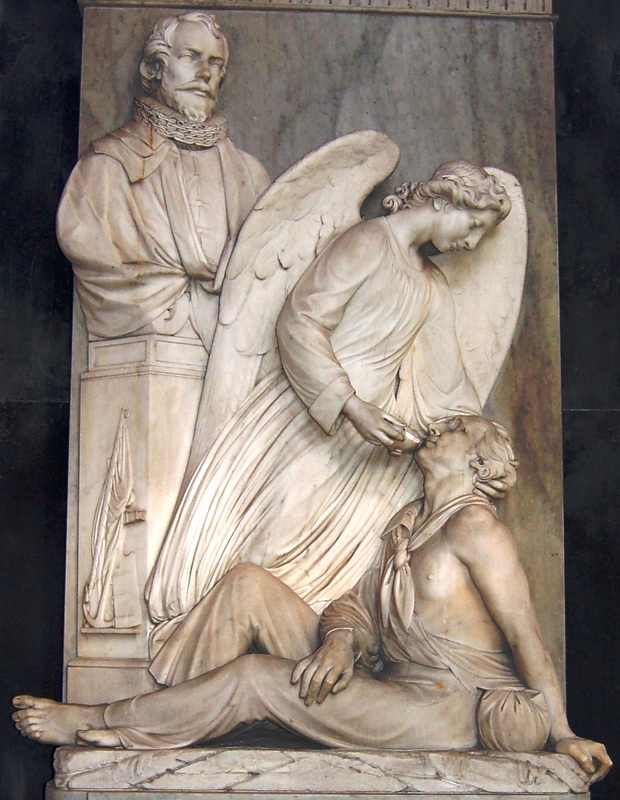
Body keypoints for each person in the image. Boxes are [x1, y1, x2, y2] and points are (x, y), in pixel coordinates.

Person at [12, 415, 611, 783]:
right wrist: (342, 642)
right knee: (248, 583)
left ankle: (102, 720)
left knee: (255, 677)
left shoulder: (477, 529)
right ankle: (170, 713)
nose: (438, 428)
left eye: (456, 430)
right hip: (383, 675)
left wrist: (561, 733)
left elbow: (526, 636)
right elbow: (355, 609)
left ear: (478, 462)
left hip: (439, 706)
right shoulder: (409, 522)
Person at [146, 162, 508, 650]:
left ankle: (267, 665)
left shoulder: (432, 286)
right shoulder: (368, 243)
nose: (471, 243)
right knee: (267, 538)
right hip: (309, 415)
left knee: (306, 565)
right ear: (445, 201)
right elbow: (299, 323)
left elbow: (450, 394)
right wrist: (350, 404)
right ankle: (204, 652)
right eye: (473, 227)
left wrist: (487, 449)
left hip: (364, 446)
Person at [57, 11, 270, 348]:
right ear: (156, 67)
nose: (204, 73)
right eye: (191, 57)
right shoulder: (105, 167)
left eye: (215, 64)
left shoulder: (251, 177)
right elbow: (91, 251)